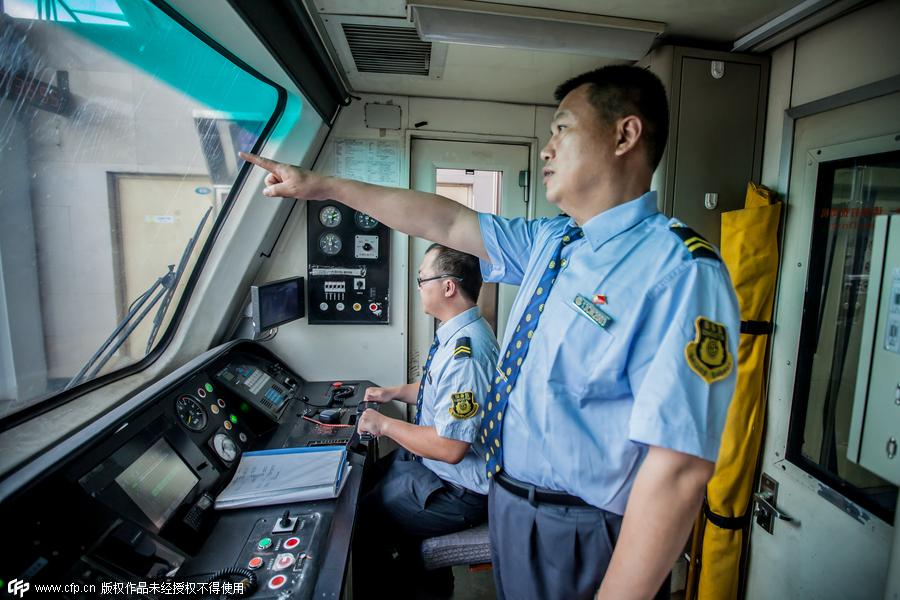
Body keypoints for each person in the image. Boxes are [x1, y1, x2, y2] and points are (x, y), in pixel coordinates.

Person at [240, 64, 740, 600]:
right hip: (509, 504)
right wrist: (324, 187)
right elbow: (447, 222)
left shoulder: (680, 270)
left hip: (580, 527)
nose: (548, 149)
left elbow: (680, 468)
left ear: (625, 134)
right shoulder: (554, 242)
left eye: (562, 129)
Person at [352, 243, 498, 597]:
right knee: (364, 480)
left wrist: (384, 425)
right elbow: (441, 393)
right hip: (436, 468)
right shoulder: (458, 334)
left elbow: (450, 447)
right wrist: (394, 392)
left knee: (363, 516)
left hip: (460, 489)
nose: (419, 287)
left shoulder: (467, 352)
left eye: (422, 280)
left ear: (448, 287)